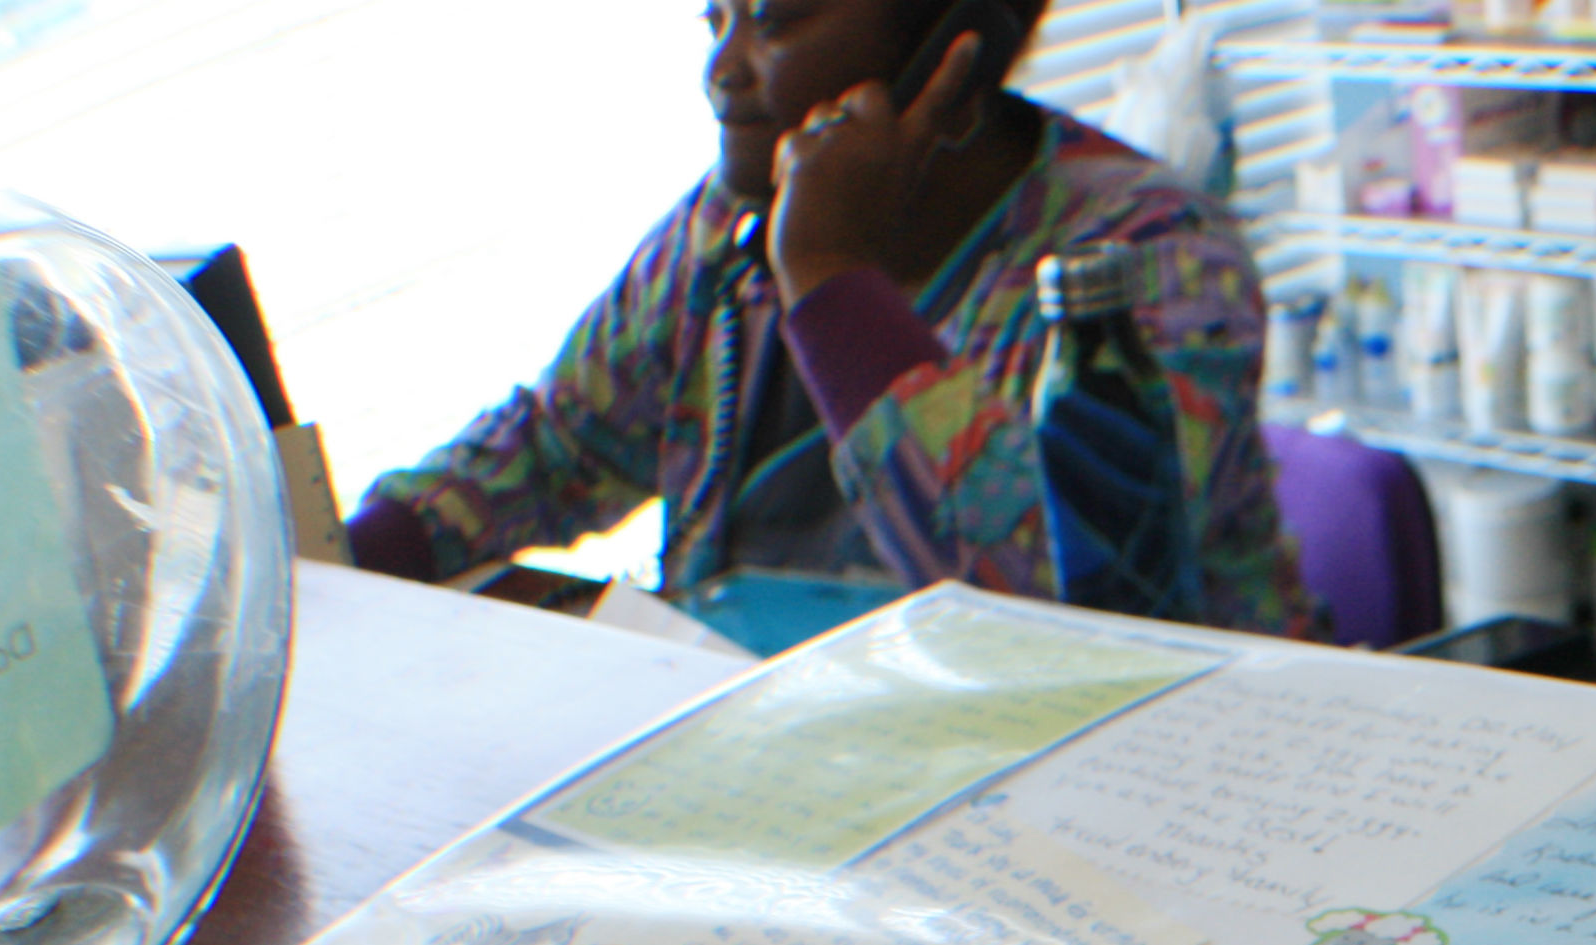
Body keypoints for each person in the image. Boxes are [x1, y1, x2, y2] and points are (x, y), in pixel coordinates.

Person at [346, 0, 1320, 637]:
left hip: (1122, 810)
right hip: (787, 768)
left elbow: (1050, 612)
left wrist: (827, 274)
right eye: (715, 18)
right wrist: (347, 554)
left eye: (771, 22)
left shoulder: (1151, 261)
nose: (722, 71)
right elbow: (558, 444)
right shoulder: (725, 232)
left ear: (947, 43)